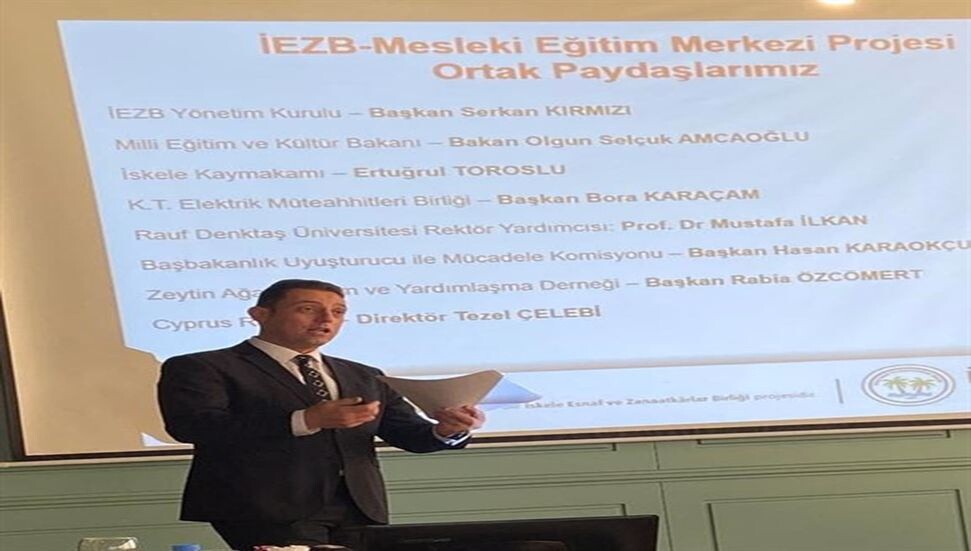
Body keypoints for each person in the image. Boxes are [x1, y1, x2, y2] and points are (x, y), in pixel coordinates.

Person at [157, 279, 485, 550]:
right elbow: (195, 426)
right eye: (307, 309)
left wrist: (447, 430)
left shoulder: (364, 375)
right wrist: (306, 420)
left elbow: (408, 433)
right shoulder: (203, 367)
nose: (326, 319)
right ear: (260, 314)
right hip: (264, 507)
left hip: (359, 506)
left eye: (338, 312)